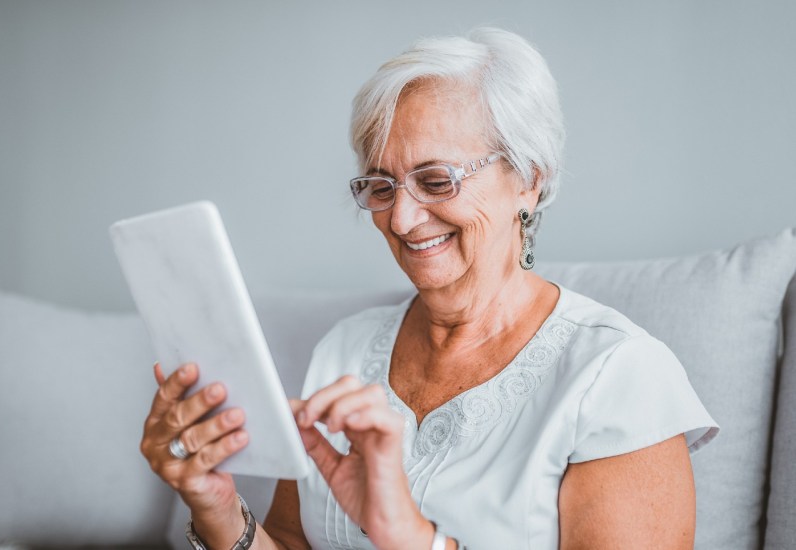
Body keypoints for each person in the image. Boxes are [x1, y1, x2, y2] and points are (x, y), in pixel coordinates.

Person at [140, 28, 718, 549]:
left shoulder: (619, 376)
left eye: (436, 180)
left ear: (530, 180)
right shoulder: (344, 350)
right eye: (382, 186)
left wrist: (413, 540)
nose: (401, 220)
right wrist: (216, 507)